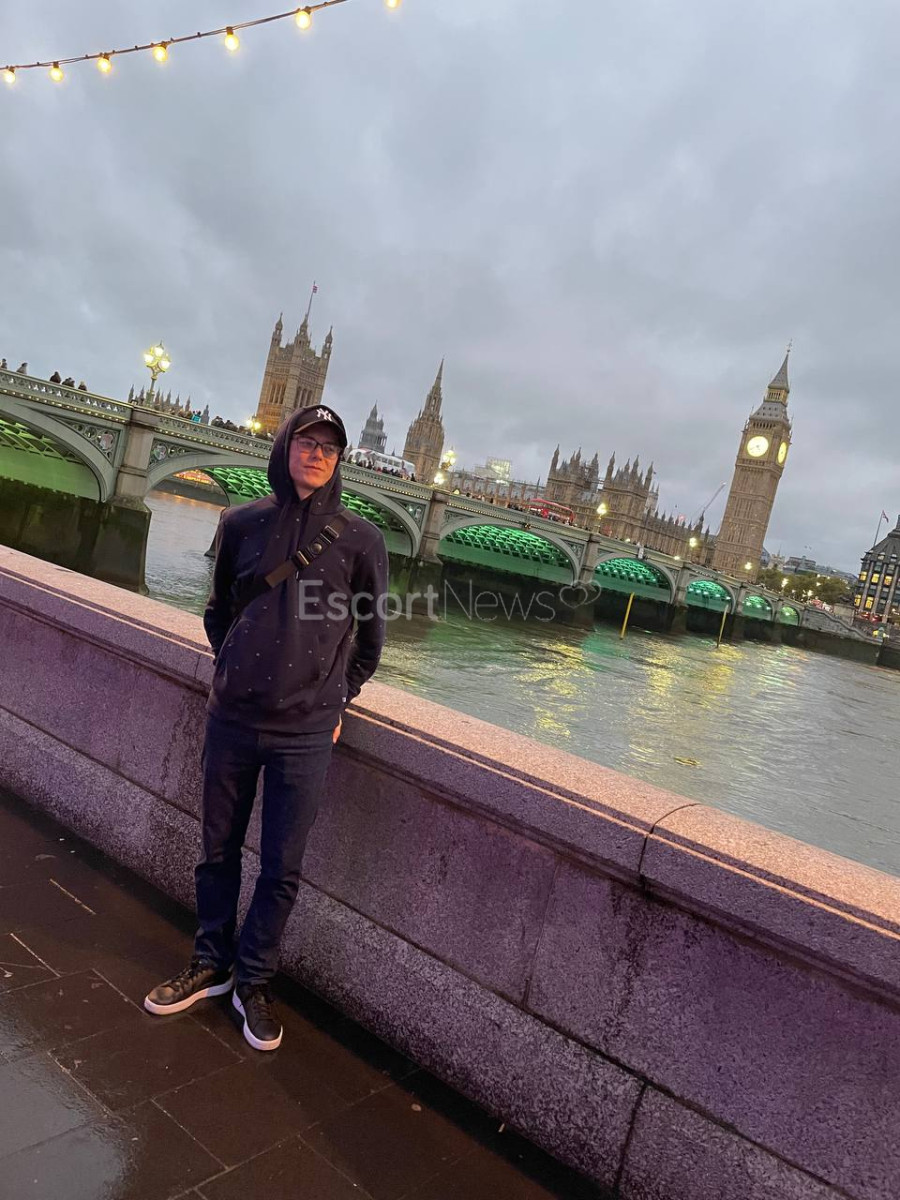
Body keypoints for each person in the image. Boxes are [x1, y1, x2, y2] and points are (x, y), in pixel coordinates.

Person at [144, 405, 388, 1052]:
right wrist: (234, 670)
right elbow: (218, 611)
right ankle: (210, 963)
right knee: (216, 851)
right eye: (307, 441)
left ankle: (253, 981)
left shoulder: (362, 540)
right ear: (285, 447)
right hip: (232, 718)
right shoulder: (241, 522)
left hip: (306, 734)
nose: (317, 454)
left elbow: (370, 641)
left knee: (282, 867)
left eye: (330, 447)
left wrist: (335, 699)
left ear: (339, 460)